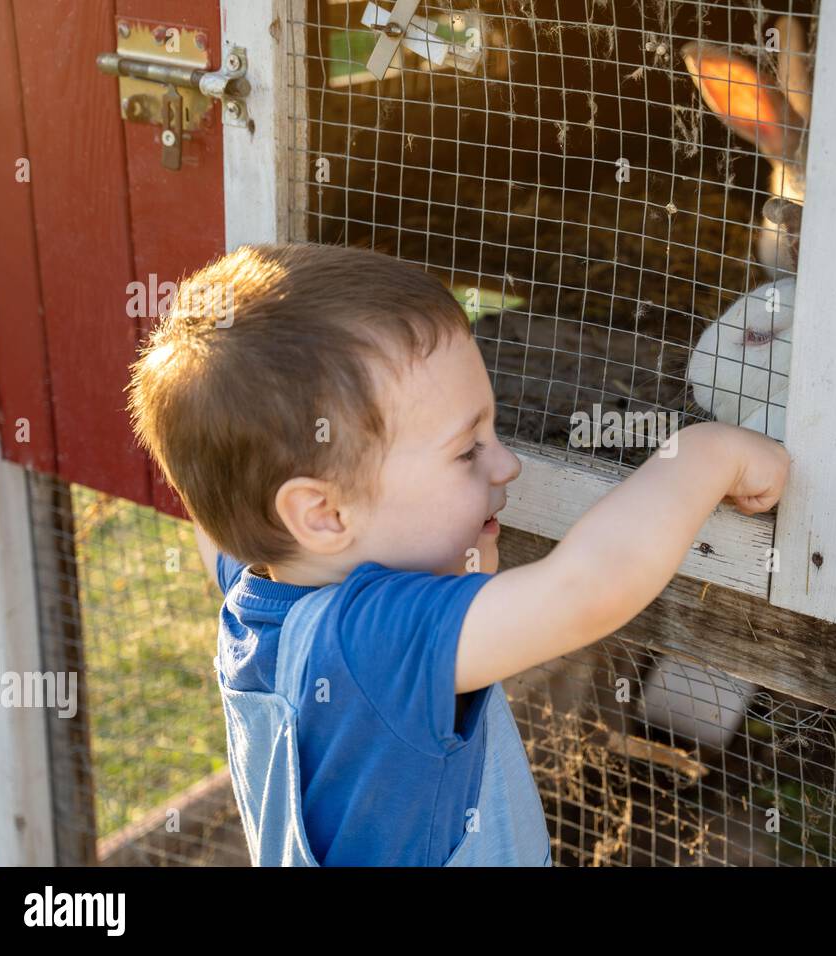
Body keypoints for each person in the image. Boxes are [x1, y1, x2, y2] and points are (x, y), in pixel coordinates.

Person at [126, 242, 789, 866]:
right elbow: (585, 591)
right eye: (467, 449)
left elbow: (215, 528)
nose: (506, 464)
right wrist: (705, 454)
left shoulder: (258, 598)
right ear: (323, 515)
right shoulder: (376, 640)